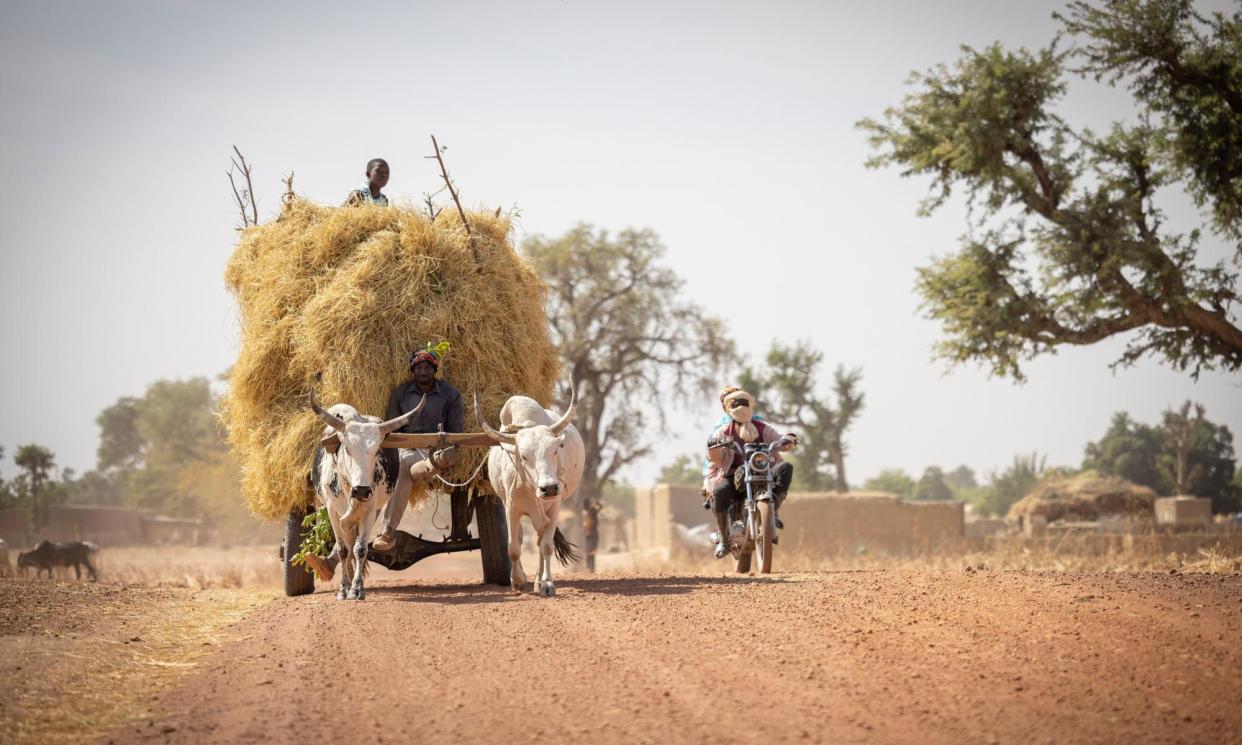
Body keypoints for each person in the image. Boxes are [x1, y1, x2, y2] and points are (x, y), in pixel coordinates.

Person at [302, 346, 463, 580]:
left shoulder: (451, 395)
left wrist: (440, 452)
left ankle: (386, 533)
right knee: (379, 478)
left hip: (434, 452)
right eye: (419, 367)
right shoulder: (401, 394)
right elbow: (390, 428)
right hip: (402, 449)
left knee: (404, 470)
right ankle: (344, 552)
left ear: (435, 370)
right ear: (412, 371)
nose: (423, 372)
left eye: (428, 367)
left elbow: (456, 432)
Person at [703, 386, 796, 559]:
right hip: (733, 475)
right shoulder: (723, 431)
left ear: (750, 406)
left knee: (785, 468)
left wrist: (788, 440)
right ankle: (724, 540)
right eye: (737, 404)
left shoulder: (762, 427)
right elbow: (714, 459)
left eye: (744, 403)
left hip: (763, 471)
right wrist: (713, 445)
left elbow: (780, 439)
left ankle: (772, 510)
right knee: (719, 492)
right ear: (729, 409)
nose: (741, 407)